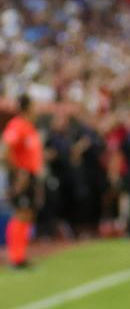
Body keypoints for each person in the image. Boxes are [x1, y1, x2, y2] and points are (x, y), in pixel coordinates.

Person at [2, 96, 43, 269]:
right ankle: (15, 258)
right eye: (34, 105)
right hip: (21, 175)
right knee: (20, 213)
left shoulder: (29, 127)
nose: (37, 109)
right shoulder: (17, 125)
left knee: (27, 214)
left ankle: (21, 255)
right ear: (27, 108)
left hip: (30, 175)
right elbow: (5, 151)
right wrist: (18, 172)